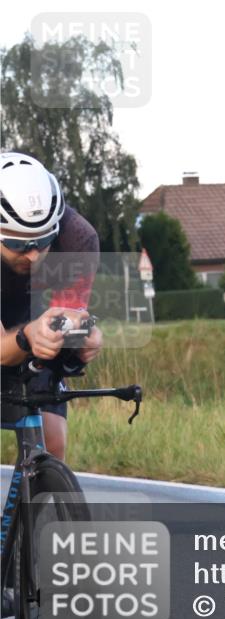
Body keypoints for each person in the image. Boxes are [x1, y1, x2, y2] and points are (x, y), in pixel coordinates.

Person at [0, 151, 103, 463]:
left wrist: (81, 336)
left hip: (27, 312)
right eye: (19, 244)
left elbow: (66, 318)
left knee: (51, 442)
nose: (33, 255)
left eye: (43, 240)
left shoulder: (78, 239)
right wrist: (27, 337)